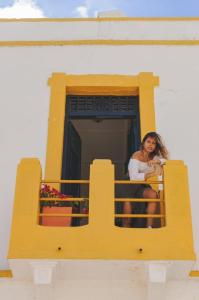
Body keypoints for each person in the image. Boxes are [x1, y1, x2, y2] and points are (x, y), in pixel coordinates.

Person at [123, 132, 169, 228]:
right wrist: (152, 173)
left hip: (142, 184)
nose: (150, 145)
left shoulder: (154, 157)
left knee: (153, 194)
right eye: (148, 142)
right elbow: (134, 177)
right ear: (143, 143)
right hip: (129, 184)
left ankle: (149, 226)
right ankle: (125, 229)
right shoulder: (136, 155)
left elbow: (166, 161)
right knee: (127, 210)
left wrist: (158, 161)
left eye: (153, 143)